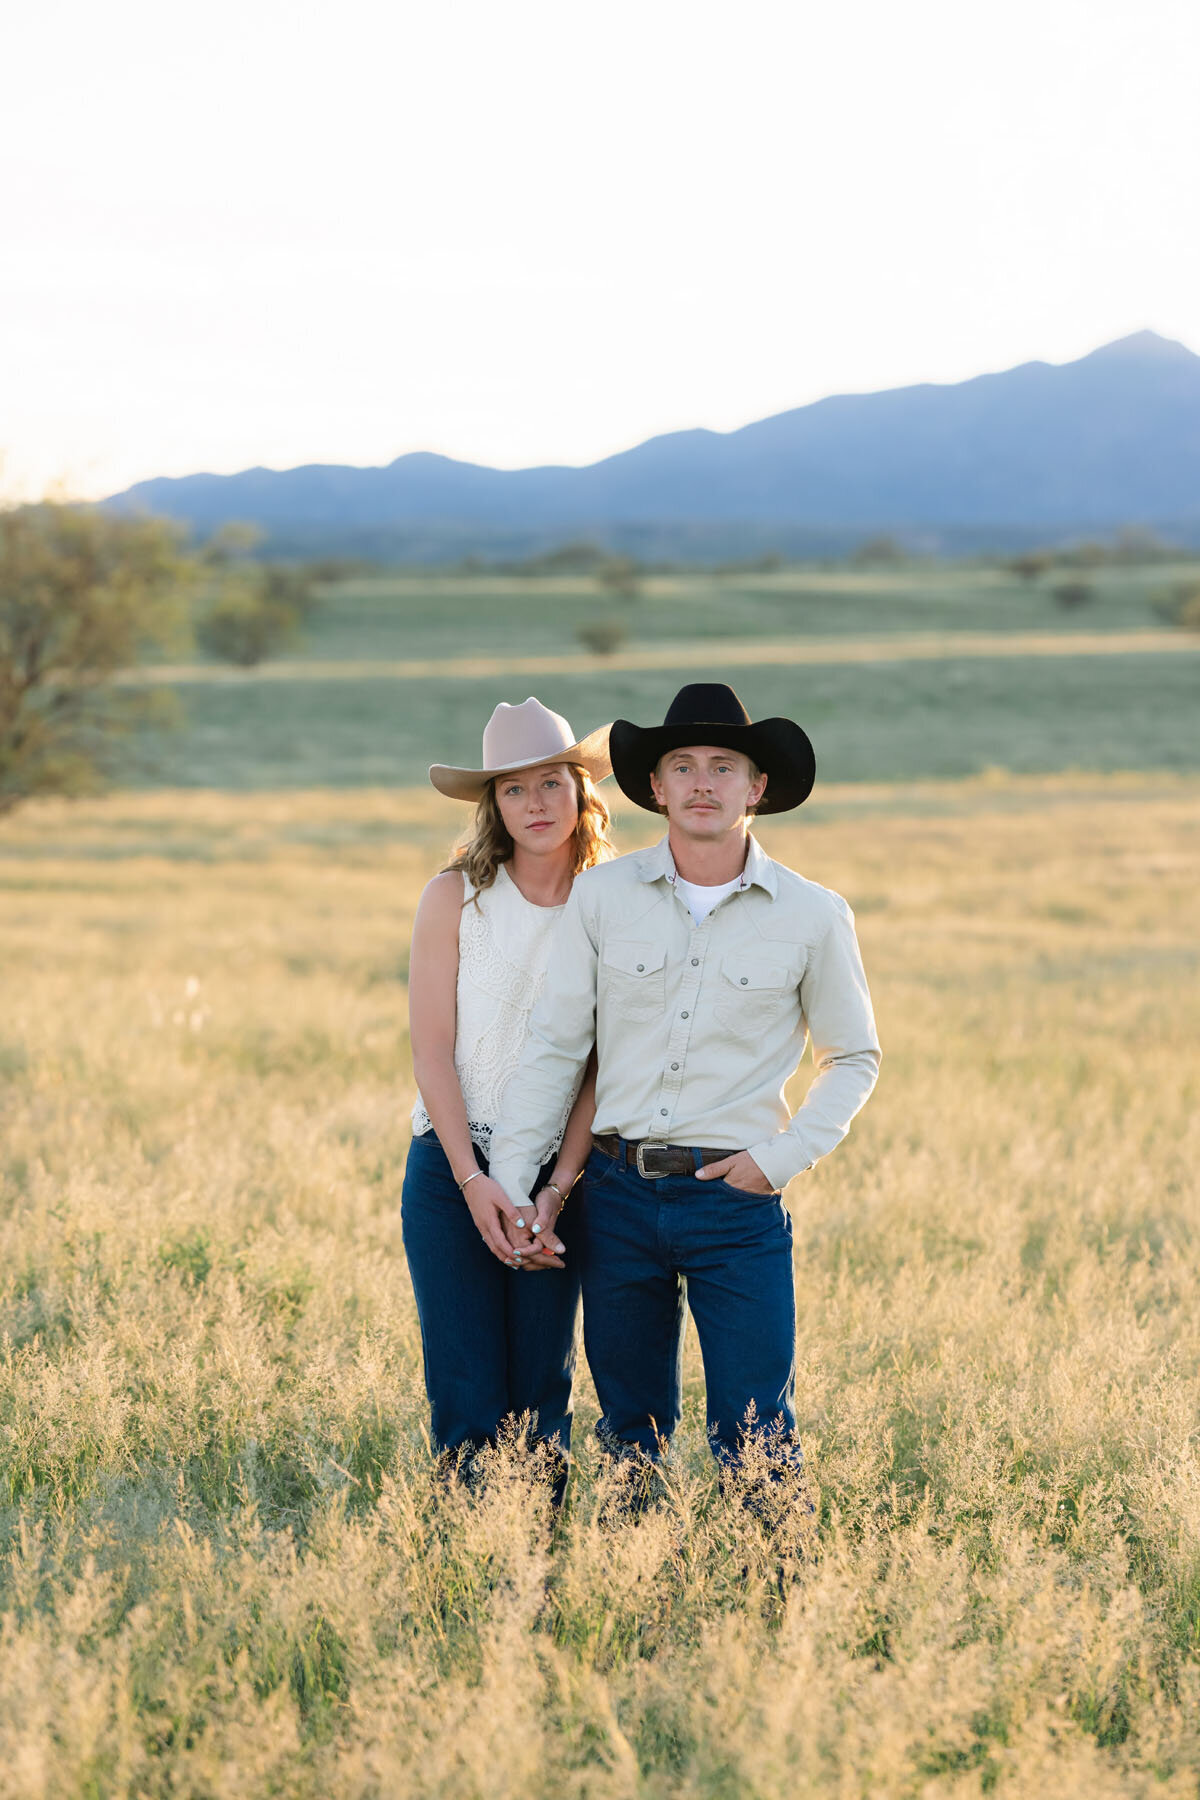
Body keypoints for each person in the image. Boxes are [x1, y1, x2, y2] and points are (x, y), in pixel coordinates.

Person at [489, 682, 880, 1486]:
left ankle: (777, 1603)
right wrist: (514, 1182)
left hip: (735, 1202)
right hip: (617, 1195)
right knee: (630, 1424)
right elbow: (557, 1045)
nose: (704, 782)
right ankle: (653, 1593)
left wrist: (781, 1158)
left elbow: (853, 1058)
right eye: (683, 766)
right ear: (656, 788)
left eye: (724, 766)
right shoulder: (601, 898)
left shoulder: (813, 914)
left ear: (757, 787)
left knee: (756, 1427)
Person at [402, 696, 613, 1500]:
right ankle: (462, 1588)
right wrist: (473, 1180)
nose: (537, 804)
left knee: (540, 1403)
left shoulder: (613, 906)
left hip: (566, 1177)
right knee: (465, 1401)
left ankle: (535, 1586)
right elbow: (431, 1053)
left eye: (552, 783)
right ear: (493, 803)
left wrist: (555, 1187)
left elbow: (602, 1069)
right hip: (453, 1167)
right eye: (516, 789)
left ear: (581, 793)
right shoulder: (452, 898)